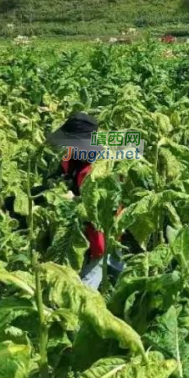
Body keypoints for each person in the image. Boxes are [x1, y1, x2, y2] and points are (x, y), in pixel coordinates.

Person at [46, 112, 123, 289]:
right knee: (114, 267)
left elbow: (103, 208)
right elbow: (62, 178)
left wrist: (77, 200)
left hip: (101, 230)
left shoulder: (100, 170)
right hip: (81, 229)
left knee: (85, 287)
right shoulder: (71, 158)